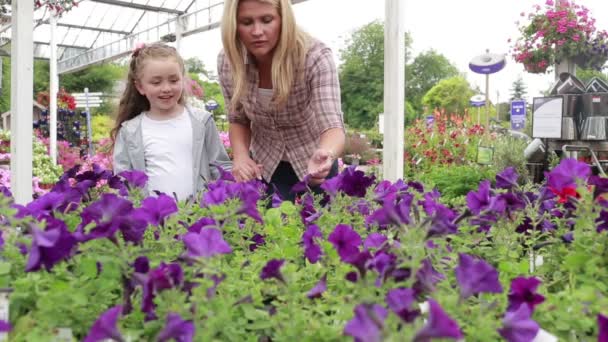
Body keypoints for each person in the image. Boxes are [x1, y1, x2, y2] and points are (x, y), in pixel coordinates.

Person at [218, 0, 345, 202]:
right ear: (234, 25)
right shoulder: (229, 61)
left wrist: (326, 154)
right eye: (246, 22)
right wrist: (241, 156)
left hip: (314, 165)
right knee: (268, 229)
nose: (257, 31)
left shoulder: (314, 56)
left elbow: (332, 124)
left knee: (319, 229)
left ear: (283, 19)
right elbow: (238, 119)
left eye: (267, 20)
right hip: (265, 167)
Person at [112, 43, 231, 201]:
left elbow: (220, 168)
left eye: (174, 80)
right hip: (153, 220)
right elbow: (123, 180)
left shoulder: (201, 121)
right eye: (156, 82)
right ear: (140, 86)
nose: (166, 88)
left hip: (197, 217)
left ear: (183, 80)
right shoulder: (130, 130)